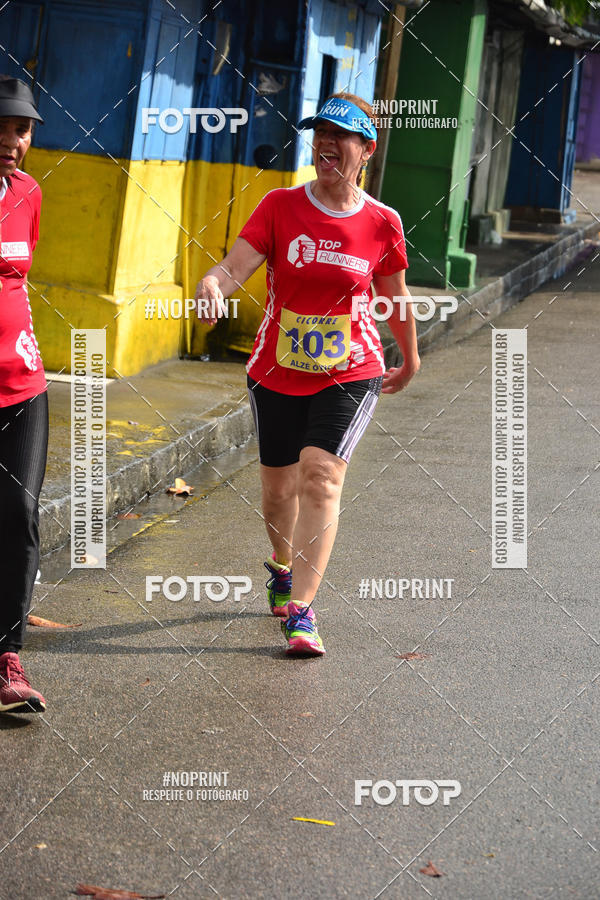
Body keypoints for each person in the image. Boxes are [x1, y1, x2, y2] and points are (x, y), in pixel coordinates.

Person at [195, 92, 420, 656]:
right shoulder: (279, 207)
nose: (326, 144)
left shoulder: (380, 222)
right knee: (278, 491)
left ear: (365, 149)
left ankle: (302, 610)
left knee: (320, 475)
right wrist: (213, 285)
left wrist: (410, 356)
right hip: (277, 366)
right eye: (319, 133)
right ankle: (281, 566)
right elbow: (234, 265)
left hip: (350, 367)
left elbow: (394, 297)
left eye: (340, 136)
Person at [0, 76, 47, 711]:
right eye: (1, 126)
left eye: (21, 128)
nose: (11, 141)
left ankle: (7, 658)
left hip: (22, 384)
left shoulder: (29, 194)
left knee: (18, 514)